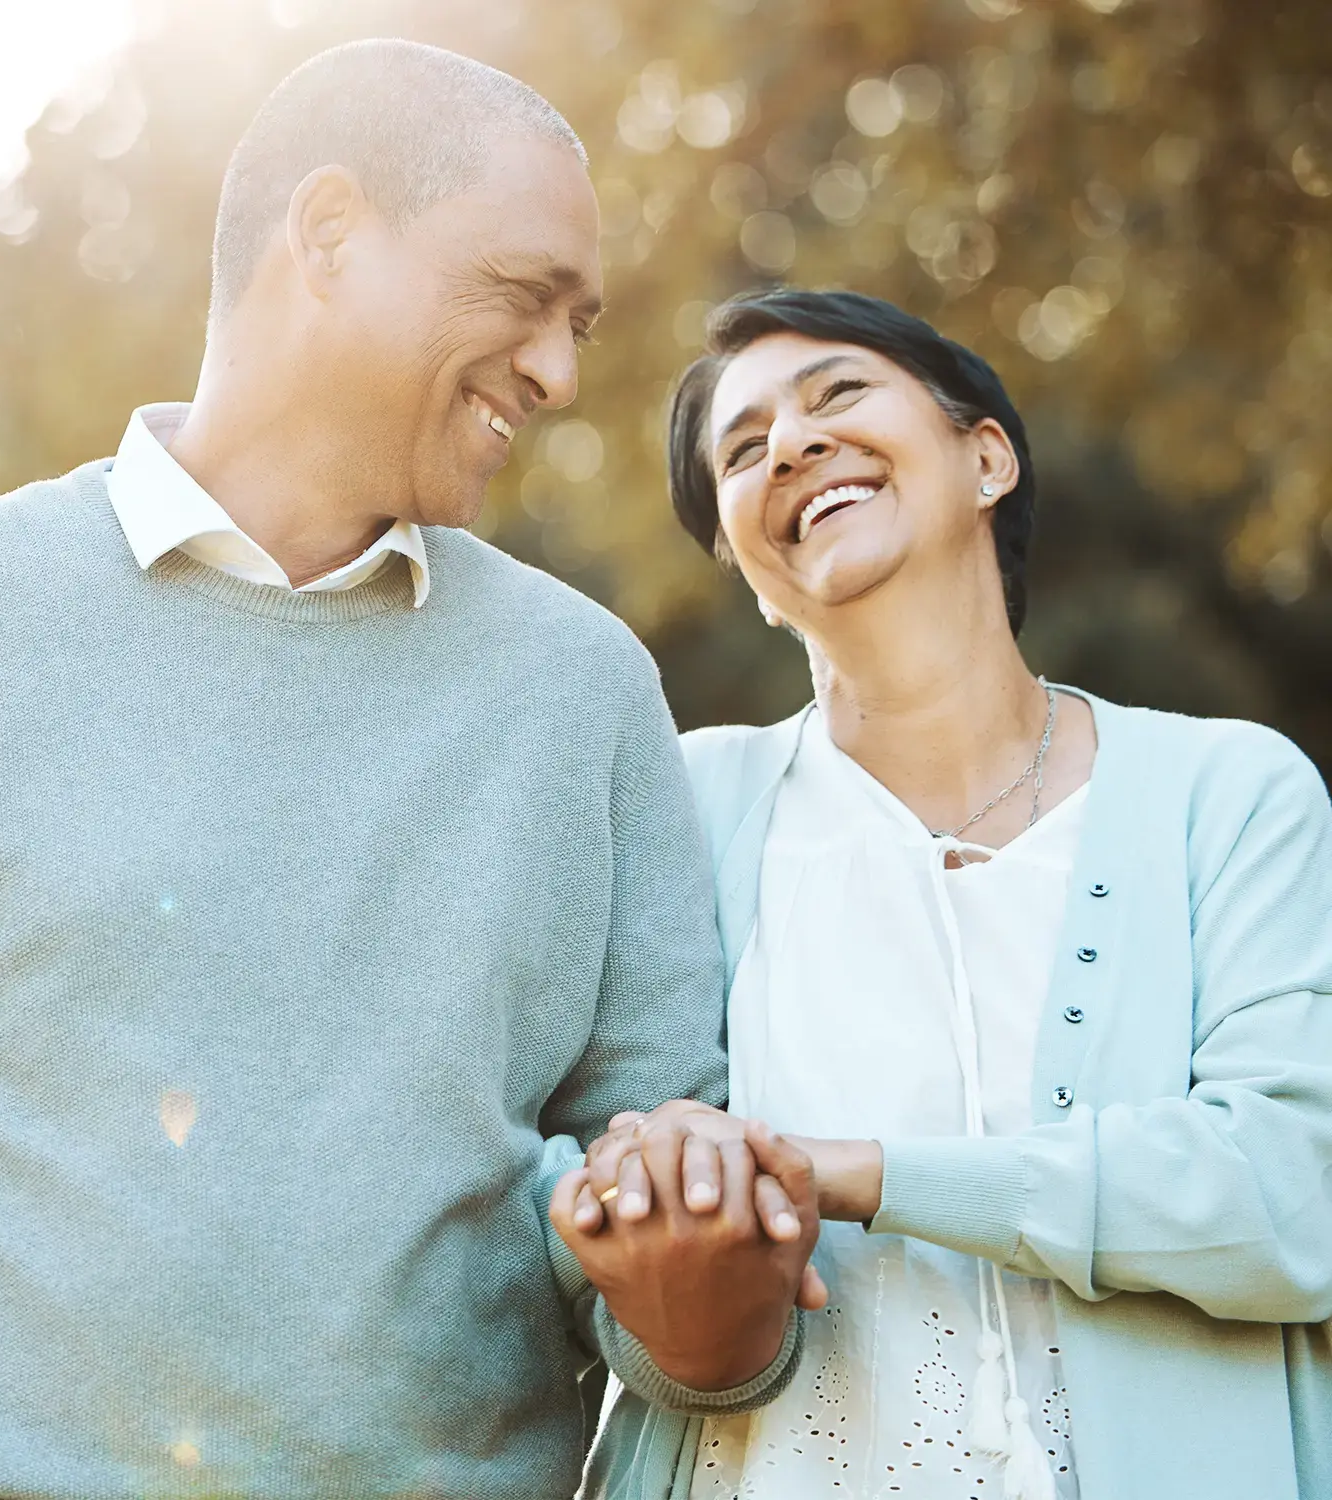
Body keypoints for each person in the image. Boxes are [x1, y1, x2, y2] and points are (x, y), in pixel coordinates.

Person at [0, 44, 820, 1500]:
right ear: (327, 235)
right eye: (524, 297)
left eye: (581, 323)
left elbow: (659, 1251)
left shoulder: (586, 690)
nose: (561, 371)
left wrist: (703, 1281)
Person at [554, 289, 1332, 1500]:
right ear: (754, 575)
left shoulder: (1225, 794)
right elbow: (626, 1217)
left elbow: (1295, 1195)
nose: (793, 447)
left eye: (837, 396)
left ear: (986, 457)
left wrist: (856, 1174)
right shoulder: (684, 805)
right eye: (744, 451)